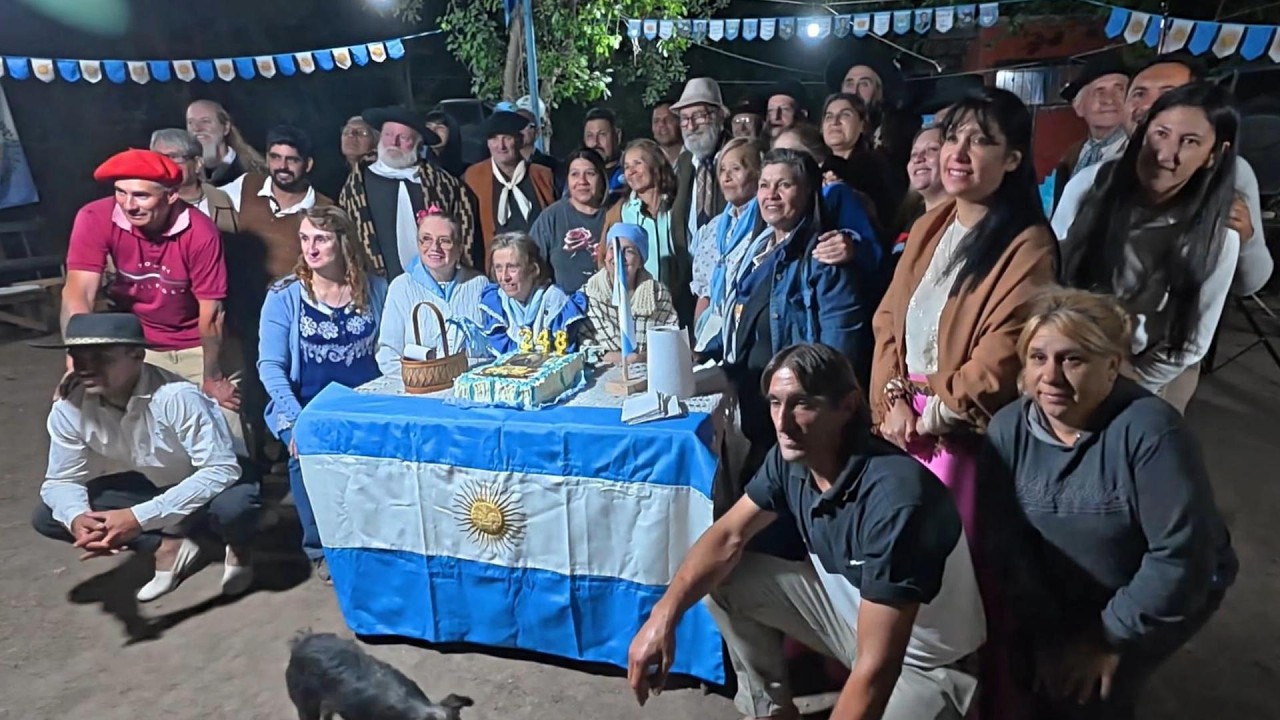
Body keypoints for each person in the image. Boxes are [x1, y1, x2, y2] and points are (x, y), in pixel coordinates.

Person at [627, 343, 985, 720]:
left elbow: (876, 670)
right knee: (723, 579)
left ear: (846, 406)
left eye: (801, 404)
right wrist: (662, 617)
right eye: (775, 403)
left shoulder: (896, 500)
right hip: (854, 628)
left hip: (925, 664)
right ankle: (771, 711)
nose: (782, 423)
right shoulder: (792, 460)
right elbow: (727, 536)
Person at [870, 86, 1058, 718]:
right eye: (954, 137)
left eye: (982, 141)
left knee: (957, 583)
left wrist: (930, 414)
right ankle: (896, 682)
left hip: (958, 437)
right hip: (904, 422)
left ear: (1012, 160)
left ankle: (958, 696)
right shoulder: (932, 223)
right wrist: (892, 399)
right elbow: (890, 320)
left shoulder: (1027, 244)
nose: (960, 153)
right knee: (898, 568)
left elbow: (1006, 351)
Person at [983, 288, 1237, 720]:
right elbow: (1008, 542)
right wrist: (1048, 634)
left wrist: (1108, 638)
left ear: (1113, 366)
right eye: (1038, 357)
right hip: (1073, 587)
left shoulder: (1151, 434)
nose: (1051, 376)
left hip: (1162, 590)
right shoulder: (1009, 431)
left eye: (1073, 359)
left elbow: (1180, 559)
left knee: (1091, 697)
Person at [32, 312, 259, 602]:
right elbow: (61, 480)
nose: (86, 369)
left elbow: (221, 469)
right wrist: (78, 519)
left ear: (138, 355)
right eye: (78, 358)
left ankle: (239, 547)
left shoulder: (176, 396)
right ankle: (168, 546)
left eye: (101, 358)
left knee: (235, 507)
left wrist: (137, 518)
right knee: (49, 515)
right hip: (156, 481)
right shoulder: (69, 407)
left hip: (218, 477)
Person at [1055, 83, 1240, 413]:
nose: (1166, 154)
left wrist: (1126, 387)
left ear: (1215, 154)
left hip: (1138, 375)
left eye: (1190, 142)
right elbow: (1050, 274)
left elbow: (1189, 344)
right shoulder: (1091, 186)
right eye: (1161, 133)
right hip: (1060, 347)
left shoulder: (1217, 238)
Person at [1055, 53, 1271, 297]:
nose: (1149, 106)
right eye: (1139, 94)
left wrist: (1247, 240)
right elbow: (1054, 264)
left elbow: (1250, 285)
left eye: (1170, 95)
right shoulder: (1091, 179)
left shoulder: (1231, 173)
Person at [258, 207, 388, 579]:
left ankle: (377, 538)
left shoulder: (375, 288)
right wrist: (298, 421)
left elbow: (391, 349)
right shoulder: (285, 296)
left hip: (363, 403)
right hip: (304, 405)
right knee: (306, 456)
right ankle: (320, 546)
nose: (311, 248)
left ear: (343, 242)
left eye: (321, 238)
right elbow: (270, 366)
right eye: (305, 239)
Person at [61, 149, 240, 417]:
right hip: (135, 341)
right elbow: (78, 292)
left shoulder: (200, 232)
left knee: (224, 421)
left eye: (141, 196)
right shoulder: (94, 217)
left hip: (195, 342)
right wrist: (75, 361)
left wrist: (212, 377)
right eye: (121, 192)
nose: (128, 205)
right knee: (88, 411)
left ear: (171, 195)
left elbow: (211, 314)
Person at [339, 106, 480, 280]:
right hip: (377, 288)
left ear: (418, 143)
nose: (394, 143)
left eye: (403, 137)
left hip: (439, 285)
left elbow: (465, 241)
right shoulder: (355, 188)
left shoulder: (446, 186)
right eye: (388, 135)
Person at [377, 207, 489, 375]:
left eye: (444, 240)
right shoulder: (401, 287)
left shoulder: (479, 284)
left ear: (459, 248)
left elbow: (493, 345)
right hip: (420, 390)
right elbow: (388, 354)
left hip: (472, 385)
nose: (434, 247)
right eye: (426, 239)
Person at [771, 124, 882, 281]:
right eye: (775, 156)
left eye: (790, 156)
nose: (780, 165)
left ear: (819, 162)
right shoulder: (768, 200)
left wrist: (852, 249)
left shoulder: (835, 194)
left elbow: (873, 254)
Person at [601, 139, 692, 324]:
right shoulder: (619, 212)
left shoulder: (679, 205)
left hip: (682, 303)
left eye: (638, 164)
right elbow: (606, 259)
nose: (631, 171)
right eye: (627, 166)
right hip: (639, 310)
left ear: (655, 166)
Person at [690, 138, 763, 348]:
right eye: (722, 170)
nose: (727, 177)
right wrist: (699, 338)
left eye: (736, 168)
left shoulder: (765, 224)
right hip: (714, 329)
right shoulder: (715, 228)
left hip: (747, 331)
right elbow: (704, 292)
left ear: (757, 173)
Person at [463, 110, 557, 261]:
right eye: (494, 139)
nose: (501, 146)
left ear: (519, 140)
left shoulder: (543, 175)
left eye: (507, 138)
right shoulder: (474, 178)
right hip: (496, 271)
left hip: (538, 265)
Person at [478, 231, 587, 355]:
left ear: (534, 269)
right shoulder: (496, 306)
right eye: (498, 268)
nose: (504, 277)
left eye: (512, 267)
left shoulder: (555, 302)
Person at [581, 222, 677, 363]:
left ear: (640, 261)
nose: (619, 257)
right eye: (613, 249)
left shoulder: (658, 294)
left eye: (629, 251)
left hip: (650, 369)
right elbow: (582, 346)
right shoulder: (589, 295)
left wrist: (641, 358)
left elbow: (671, 341)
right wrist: (622, 359)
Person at [1051, 55, 1130, 210]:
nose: (1109, 100)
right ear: (1079, 106)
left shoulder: (1138, 153)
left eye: (1119, 90)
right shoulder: (1071, 156)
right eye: (1099, 91)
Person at [529, 148, 610, 293]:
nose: (582, 181)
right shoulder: (551, 217)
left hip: (609, 308)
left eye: (590, 174)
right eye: (575, 174)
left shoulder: (615, 214)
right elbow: (531, 266)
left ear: (602, 178)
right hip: (565, 309)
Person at [819, 92, 900, 229]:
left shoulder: (878, 169)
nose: (835, 121)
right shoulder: (816, 170)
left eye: (845, 115)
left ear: (863, 125)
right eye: (829, 116)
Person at [670, 78, 730, 242]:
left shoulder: (739, 158)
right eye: (684, 118)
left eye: (699, 116)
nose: (691, 126)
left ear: (719, 116)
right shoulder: (683, 163)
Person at [150, 128, 239, 234]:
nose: (166, 164)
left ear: (198, 163)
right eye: (159, 158)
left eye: (174, 157)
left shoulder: (225, 200)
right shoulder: (145, 204)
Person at [185, 99, 267, 185]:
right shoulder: (185, 174)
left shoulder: (252, 173)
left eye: (205, 121)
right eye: (191, 122)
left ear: (226, 127)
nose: (196, 128)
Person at [892, 125, 946, 250]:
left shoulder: (961, 222)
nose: (918, 158)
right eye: (914, 153)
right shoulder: (909, 217)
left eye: (932, 149)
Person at [583, 107, 626, 199]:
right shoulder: (578, 174)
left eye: (602, 134)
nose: (595, 142)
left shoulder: (631, 169)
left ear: (617, 136)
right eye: (590, 136)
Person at [423, 108, 465, 178]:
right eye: (428, 127)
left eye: (440, 128)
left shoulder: (466, 170)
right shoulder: (417, 162)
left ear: (451, 132)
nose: (433, 132)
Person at [651, 99, 684, 165]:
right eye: (656, 121)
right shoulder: (649, 160)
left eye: (669, 119)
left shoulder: (695, 155)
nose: (662, 124)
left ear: (680, 122)